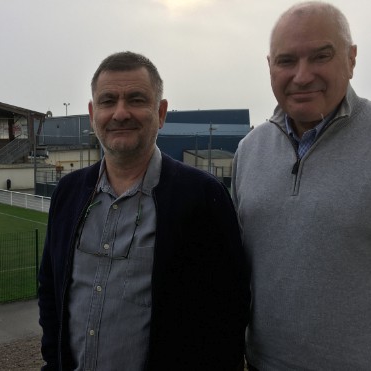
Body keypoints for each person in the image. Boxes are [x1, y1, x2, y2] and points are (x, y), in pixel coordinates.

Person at [231, 2, 371, 370]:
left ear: (351, 59)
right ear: (270, 67)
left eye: (321, 56)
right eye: (286, 61)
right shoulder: (250, 152)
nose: (302, 75)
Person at [38, 51, 250, 370]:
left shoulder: (203, 197)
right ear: (93, 113)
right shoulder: (67, 193)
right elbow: (50, 291)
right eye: (108, 101)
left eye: (136, 99)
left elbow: (227, 314)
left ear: (160, 112)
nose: (120, 113)